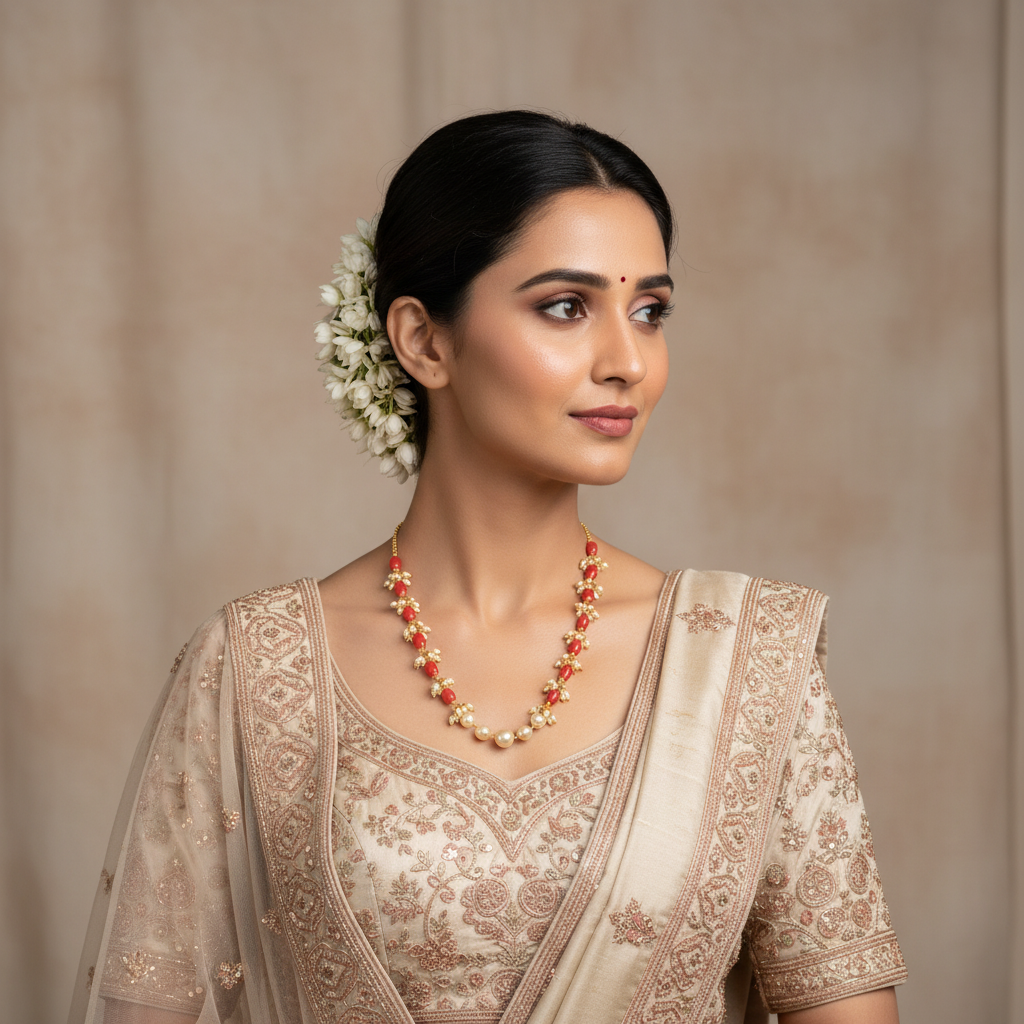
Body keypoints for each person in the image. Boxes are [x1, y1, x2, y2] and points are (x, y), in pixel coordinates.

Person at [69, 111, 907, 1024]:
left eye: (650, 311)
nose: (629, 361)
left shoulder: (750, 664)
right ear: (424, 341)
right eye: (565, 306)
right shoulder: (254, 668)